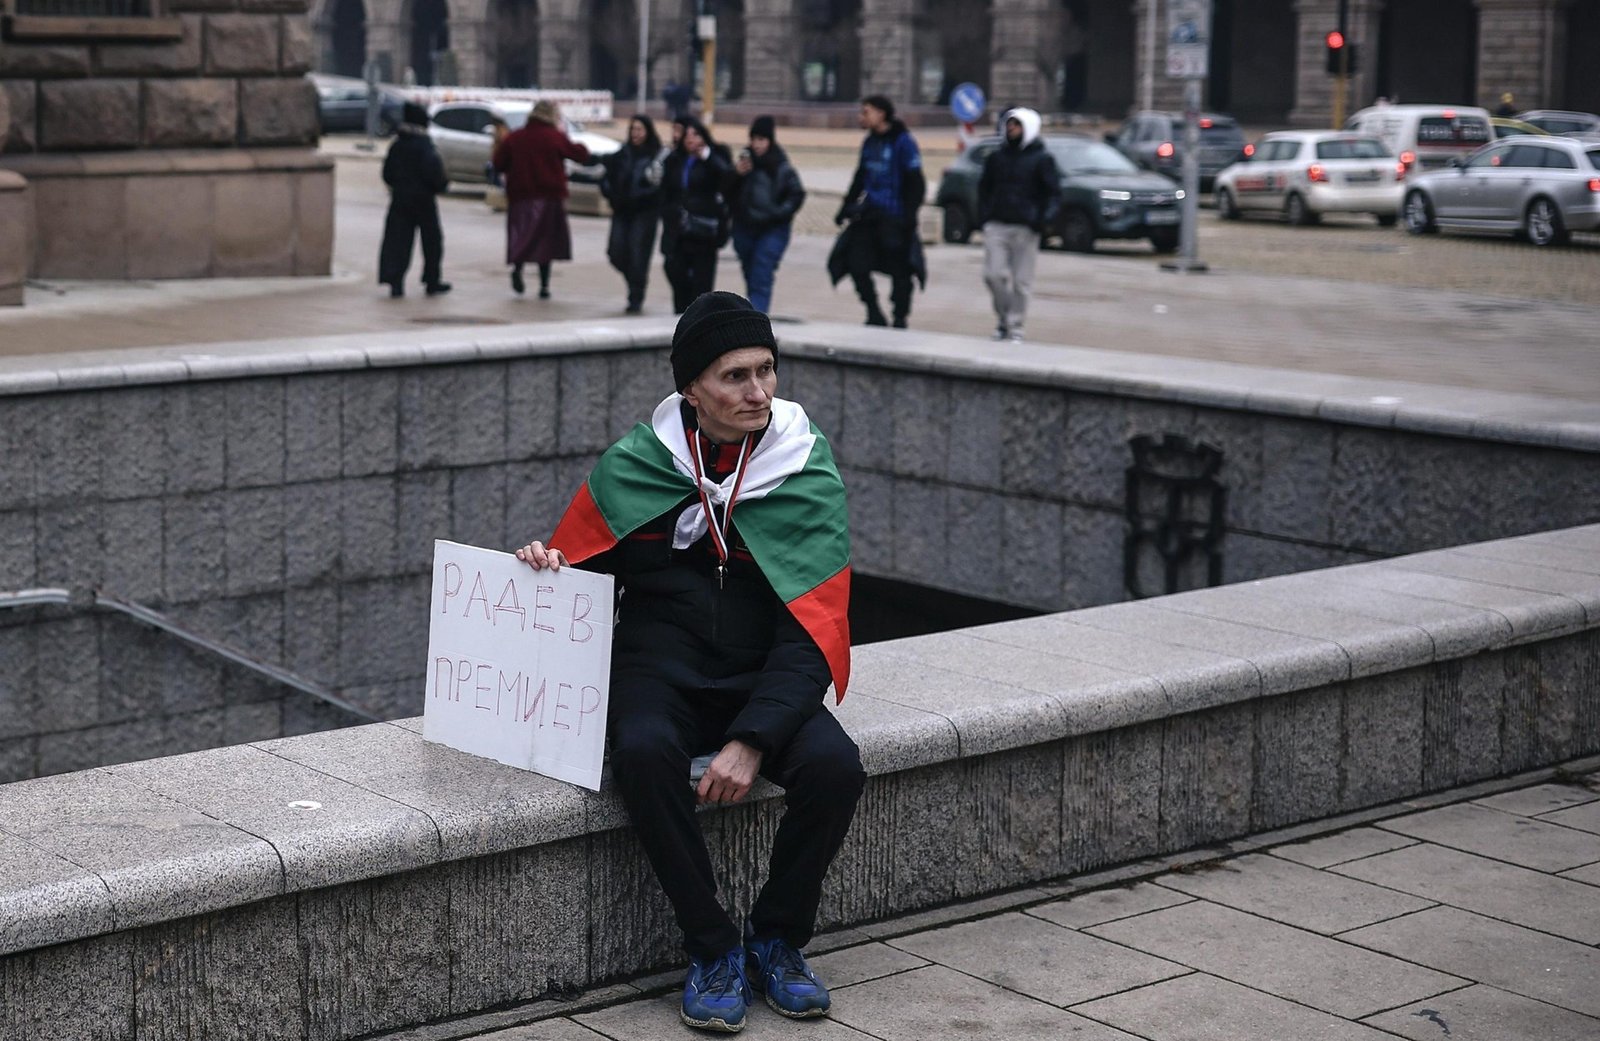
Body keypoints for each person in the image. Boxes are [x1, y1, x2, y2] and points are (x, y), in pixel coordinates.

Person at [516, 291, 864, 1035]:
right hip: (658, 673)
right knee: (642, 754)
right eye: (736, 376)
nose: (759, 392)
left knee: (836, 767)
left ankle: (777, 938)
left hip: (763, 675)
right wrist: (548, 564)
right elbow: (579, 578)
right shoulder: (637, 464)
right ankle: (712, 947)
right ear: (691, 389)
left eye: (767, 369)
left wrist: (753, 740)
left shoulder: (803, 463)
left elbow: (815, 628)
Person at [831, 95, 925, 328]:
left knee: (900, 270)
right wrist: (845, 207)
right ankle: (873, 311)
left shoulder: (903, 142)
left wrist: (909, 217)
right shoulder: (869, 142)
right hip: (869, 215)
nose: (861, 117)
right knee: (855, 261)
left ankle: (900, 316)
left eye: (866, 112)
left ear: (881, 114)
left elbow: (916, 182)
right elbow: (860, 177)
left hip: (895, 217)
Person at [493, 99, 592, 299]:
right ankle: (544, 286)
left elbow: (498, 163)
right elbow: (580, 155)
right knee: (546, 241)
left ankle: (518, 268)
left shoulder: (515, 137)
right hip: (549, 197)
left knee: (521, 235)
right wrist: (567, 136)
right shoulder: (554, 137)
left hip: (520, 196)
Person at [978, 107, 1060, 343]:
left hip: (1026, 227)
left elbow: (1053, 193)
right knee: (993, 275)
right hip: (997, 224)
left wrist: (1043, 220)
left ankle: (1015, 326)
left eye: (1017, 125)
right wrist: (984, 216)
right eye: (1009, 124)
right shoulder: (997, 158)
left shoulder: (1042, 159)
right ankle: (1003, 318)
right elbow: (984, 188)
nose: (1011, 129)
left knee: (1021, 282)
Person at [728, 116, 806, 315]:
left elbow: (796, 194)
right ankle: (754, 312)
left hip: (772, 229)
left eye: (761, 140)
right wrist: (735, 175)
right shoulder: (744, 164)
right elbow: (726, 192)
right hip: (744, 228)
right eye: (754, 139)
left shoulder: (781, 166)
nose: (757, 145)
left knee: (761, 272)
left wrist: (778, 213)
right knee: (751, 273)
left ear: (770, 141)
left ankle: (756, 318)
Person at [661, 117, 733, 315]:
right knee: (675, 270)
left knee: (702, 280)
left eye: (696, 134)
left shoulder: (715, 157)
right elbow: (666, 190)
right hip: (678, 228)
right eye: (687, 135)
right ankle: (682, 313)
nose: (691, 139)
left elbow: (727, 178)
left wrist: (707, 157)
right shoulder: (675, 159)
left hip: (704, 229)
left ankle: (699, 315)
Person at [377, 102, 450, 297]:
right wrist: (441, 186)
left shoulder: (397, 145)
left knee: (398, 241)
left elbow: (387, 173)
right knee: (432, 241)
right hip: (424, 200)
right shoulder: (424, 145)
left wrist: (397, 185)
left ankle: (395, 282)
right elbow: (434, 171)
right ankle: (432, 280)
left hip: (400, 199)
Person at [599, 114, 668, 313]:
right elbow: (607, 178)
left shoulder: (656, 156)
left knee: (639, 254)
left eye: (640, 129)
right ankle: (635, 280)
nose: (636, 134)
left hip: (644, 212)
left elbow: (660, 186)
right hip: (621, 210)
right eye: (633, 129)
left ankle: (636, 294)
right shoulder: (621, 154)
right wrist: (611, 194)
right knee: (615, 252)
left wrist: (646, 196)